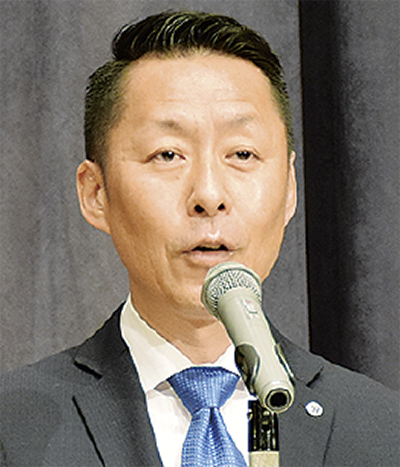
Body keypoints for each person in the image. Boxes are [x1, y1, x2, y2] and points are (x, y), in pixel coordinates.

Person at [0, 11, 398, 467]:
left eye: (242, 153)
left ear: (290, 188)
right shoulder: (15, 430)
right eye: (168, 154)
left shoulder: (379, 431)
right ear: (96, 193)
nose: (209, 195)